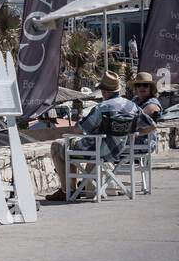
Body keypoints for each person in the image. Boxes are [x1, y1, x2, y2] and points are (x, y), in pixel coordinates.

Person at [47, 71, 154, 202]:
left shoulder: (102, 108)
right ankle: (80, 188)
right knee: (76, 145)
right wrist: (131, 133)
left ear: (104, 92)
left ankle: (67, 190)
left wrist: (71, 134)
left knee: (58, 145)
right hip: (120, 150)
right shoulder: (131, 106)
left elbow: (78, 130)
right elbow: (152, 126)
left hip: (99, 150)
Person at [129, 71, 165, 152]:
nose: (142, 88)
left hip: (143, 141)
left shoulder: (153, 103)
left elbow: (137, 121)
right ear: (135, 88)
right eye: (138, 85)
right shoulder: (135, 100)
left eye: (145, 85)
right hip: (132, 138)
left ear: (150, 88)